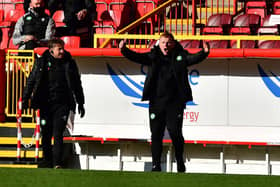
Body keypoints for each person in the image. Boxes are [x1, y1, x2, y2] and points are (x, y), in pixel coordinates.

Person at [119, 32, 210, 172]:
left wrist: (204, 52)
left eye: (168, 43)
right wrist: (124, 49)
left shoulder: (180, 56)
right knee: (156, 134)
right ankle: (156, 165)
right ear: (159, 43)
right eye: (163, 43)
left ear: (173, 43)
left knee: (175, 133)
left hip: (175, 103)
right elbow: (137, 57)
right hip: (156, 103)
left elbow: (193, 59)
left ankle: (180, 162)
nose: (165, 46)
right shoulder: (153, 56)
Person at [22, 38, 85, 168]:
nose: (62, 51)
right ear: (51, 50)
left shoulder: (69, 63)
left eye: (63, 48)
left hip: (62, 104)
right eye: (59, 49)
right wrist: (25, 99)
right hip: (45, 103)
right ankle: (47, 160)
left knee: (58, 133)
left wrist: (81, 102)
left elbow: (77, 85)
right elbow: (31, 81)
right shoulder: (41, 62)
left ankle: (57, 163)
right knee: (46, 133)